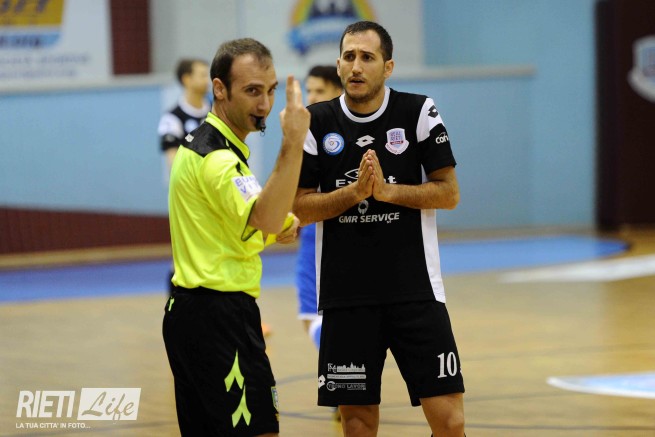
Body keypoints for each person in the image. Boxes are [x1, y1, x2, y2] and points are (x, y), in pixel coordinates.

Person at [293, 21, 466, 437]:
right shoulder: (316, 121)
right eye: (349, 56)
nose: (356, 66)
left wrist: (387, 192)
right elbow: (299, 207)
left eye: (367, 57)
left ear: (388, 67)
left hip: (416, 292)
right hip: (346, 298)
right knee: (357, 424)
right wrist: (353, 193)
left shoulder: (418, 112)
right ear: (338, 64)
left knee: (450, 421)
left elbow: (449, 193)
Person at [163, 38, 310, 437]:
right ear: (220, 89)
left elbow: (245, 227)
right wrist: (293, 142)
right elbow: (265, 216)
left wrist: (277, 226)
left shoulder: (211, 146)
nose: (265, 104)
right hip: (219, 318)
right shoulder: (218, 159)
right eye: (252, 91)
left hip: (194, 314)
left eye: (270, 90)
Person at [295, 65, 343, 346]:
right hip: (313, 233)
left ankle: (344, 366)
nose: (311, 97)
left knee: (314, 317)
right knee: (314, 316)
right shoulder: (307, 129)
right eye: (309, 90)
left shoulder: (327, 133)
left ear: (338, 91)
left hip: (326, 233)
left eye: (319, 90)